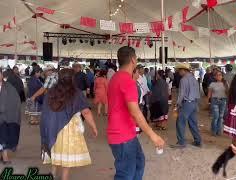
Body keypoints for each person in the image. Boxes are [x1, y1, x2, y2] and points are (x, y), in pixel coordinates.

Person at [107, 46, 164, 180]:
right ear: (133, 60)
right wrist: (153, 136)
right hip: (122, 135)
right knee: (126, 174)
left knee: (139, 163)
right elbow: (135, 112)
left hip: (125, 133)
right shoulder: (127, 81)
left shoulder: (116, 77)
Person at [40, 69, 98, 180]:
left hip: (52, 125)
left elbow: (45, 112)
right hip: (70, 128)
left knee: (55, 148)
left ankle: (53, 173)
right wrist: (93, 127)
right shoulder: (76, 92)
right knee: (66, 154)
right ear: (73, 79)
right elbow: (86, 112)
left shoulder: (51, 91)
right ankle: (64, 178)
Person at [172, 63, 202, 148]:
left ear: (183, 70)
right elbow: (198, 92)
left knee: (180, 121)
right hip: (194, 102)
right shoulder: (194, 78)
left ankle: (181, 142)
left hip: (187, 103)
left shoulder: (183, 80)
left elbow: (181, 94)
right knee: (193, 122)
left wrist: (177, 104)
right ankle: (198, 141)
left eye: (179, 70)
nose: (179, 72)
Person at [0, 68, 21, 164]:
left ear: (1, 75)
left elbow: (15, 102)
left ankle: (5, 155)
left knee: (4, 135)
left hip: (5, 117)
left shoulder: (9, 87)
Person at [208, 70, 228, 136]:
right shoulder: (212, 84)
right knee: (216, 116)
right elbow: (209, 94)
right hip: (214, 101)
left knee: (221, 116)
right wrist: (208, 102)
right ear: (215, 77)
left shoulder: (225, 83)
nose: (219, 76)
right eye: (217, 75)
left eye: (220, 75)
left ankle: (219, 131)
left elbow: (228, 93)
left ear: (222, 76)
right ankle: (214, 131)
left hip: (223, 101)